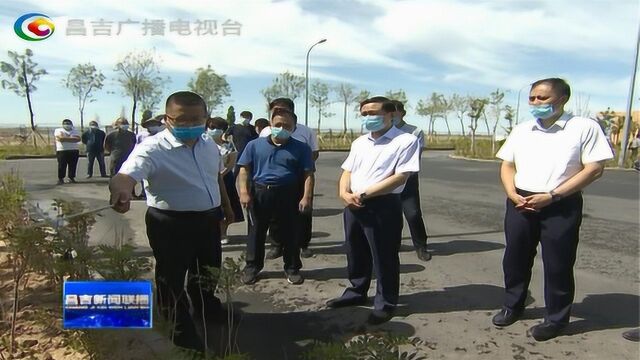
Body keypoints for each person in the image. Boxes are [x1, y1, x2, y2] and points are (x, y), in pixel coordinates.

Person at [109, 91, 234, 352]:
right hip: (170, 224)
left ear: (205, 118)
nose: (189, 125)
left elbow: (216, 177)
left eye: (195, 119)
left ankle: (206, 308)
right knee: (171, 280)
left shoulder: (208, 144)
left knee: (207, 272)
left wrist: (226, 206)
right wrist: (120, 190)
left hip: (208, 219)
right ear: (167, 119)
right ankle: (180, 332)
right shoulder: (152, 149)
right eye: (181, 120)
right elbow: (126, 175)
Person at [492, 78, 614, 341]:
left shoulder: (583, 127)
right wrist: (512, 193)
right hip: (520, 202)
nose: (536, 103)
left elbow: (594, 169)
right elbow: (507, 165)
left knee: (558, 263)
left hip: (560, 203)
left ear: (561, 99)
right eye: (533, 98)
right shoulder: (522, 130)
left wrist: (552, 196)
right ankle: (513, 305)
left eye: (543, 98)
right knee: (515, 258)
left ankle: (556, 319)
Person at [326, 96, 420, 325]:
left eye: (374, 113)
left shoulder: (405, 141)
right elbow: (347, 170)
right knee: (355, 251)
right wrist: (343, 192)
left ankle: (386, 302)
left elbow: (400, 177)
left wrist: (365, 194)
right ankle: (357, 291)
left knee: (384, 256)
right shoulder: (360, 142)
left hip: (383, 205)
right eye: (365, 113)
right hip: (353, 204)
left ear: (391, 114)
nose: (369, 117)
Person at [237, 108, 315, 286]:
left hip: (289, 193)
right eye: (278, 124)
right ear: (271, 124)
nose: (281, 128)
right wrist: (244, 192)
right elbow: (244, 169)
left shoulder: (301, 148)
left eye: (286, 125)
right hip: (260, 193)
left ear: (294, 128)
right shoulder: (254, 145)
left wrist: (306, 197)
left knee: (291, 233)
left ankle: (292, 268)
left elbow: (308, 174)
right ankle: (252, 267)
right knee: (256, 232)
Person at [260, 98, 320, 259]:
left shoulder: (305, 131)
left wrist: (300, 165)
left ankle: (303, 244)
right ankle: (276, 245)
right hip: (274, 181)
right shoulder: (266, 131)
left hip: (299, 178)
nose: (279, 112)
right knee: (274, 215)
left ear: (291, 111)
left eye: (283, 109)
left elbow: (314, 152)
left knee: (302, 213)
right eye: (275, 110)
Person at [391, 100, 431, 262]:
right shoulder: (383, 131)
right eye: (389, 113)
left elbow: (416, 156)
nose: (391, 116)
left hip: (407, 178)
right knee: (391, 215)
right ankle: (393, 244)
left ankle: (421, 245)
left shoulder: (415, 132)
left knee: (413, 213)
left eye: (394, 112)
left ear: (402, 113)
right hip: (386, 180)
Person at [206, 116, 244, 244]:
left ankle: (223, 233)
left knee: (226, 206)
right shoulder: (202, 144)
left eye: (218, 128)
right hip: (207, 179)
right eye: (212, 127)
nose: (215, 130)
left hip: (225, 179)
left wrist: (222, 174)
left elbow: (231, 162)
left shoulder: (228, 145)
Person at [134, 114, 166, 200]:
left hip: (161, 161)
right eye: (149, 125)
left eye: (153, 124)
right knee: (145, 179)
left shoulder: (164, 135)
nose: (151, 127)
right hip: (146, 160)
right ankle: (145, 193)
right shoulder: (142, 135)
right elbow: (137, 147)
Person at [224, 110, 257, 175]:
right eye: (243, 117)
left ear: (250, 119)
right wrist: (228, 145)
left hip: (249, 153)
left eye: (247, 117)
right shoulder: (234, 127)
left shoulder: (252, 129)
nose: (245, 119)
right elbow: (225, 136)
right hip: (237, 152)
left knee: (248, 172)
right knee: (235, 171)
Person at [54, 119, 81, 185]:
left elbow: (78, 139)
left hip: (74, 150)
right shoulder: (58, 130)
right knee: (62, 165)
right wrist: (71, 138)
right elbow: (60, 139)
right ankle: (61, 179)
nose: (67, 125)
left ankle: (71, 178)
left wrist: (65, 138)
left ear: (71, 124)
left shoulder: (75, 130)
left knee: (73, 165)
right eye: (66, 123)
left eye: (68, 123)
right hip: (62, 150)